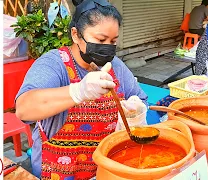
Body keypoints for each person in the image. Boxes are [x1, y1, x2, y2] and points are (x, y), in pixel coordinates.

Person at [15, 0, 148, 179]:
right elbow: (24, 109)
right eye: (100, 40)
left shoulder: (115, 65)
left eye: (113, 41)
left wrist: (136, 109)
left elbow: (140, 97)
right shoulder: (54, 64)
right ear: (76, 35)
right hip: (60, 173)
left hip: (106, 170)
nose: (107, 47)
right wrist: (77, 92)